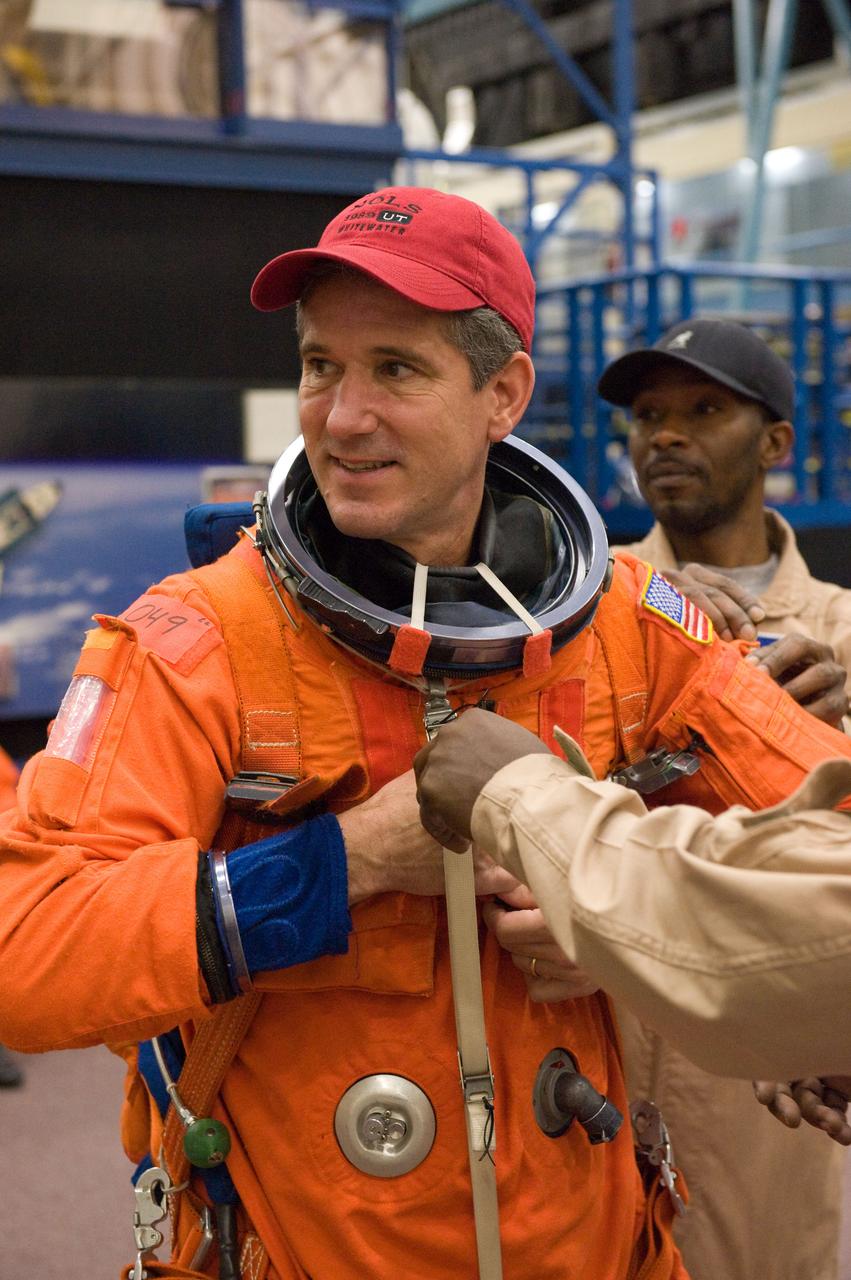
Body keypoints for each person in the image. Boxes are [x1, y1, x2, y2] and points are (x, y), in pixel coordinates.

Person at [1, 188, 850, 1280]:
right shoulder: (193, 640)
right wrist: (345, 858)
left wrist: (607, 890)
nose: (341, 414)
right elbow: (27, 951)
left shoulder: (632, 625)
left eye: (395, 368)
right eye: (319, 365)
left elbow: (822, 844)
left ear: (501, 394)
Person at [597, 317, 851, 1280]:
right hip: (599, 1049)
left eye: (703, 410)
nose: (664, 435)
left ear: (775, 441)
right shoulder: (588, 608)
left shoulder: (833, 633)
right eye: (648, 414)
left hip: (763, 1087)